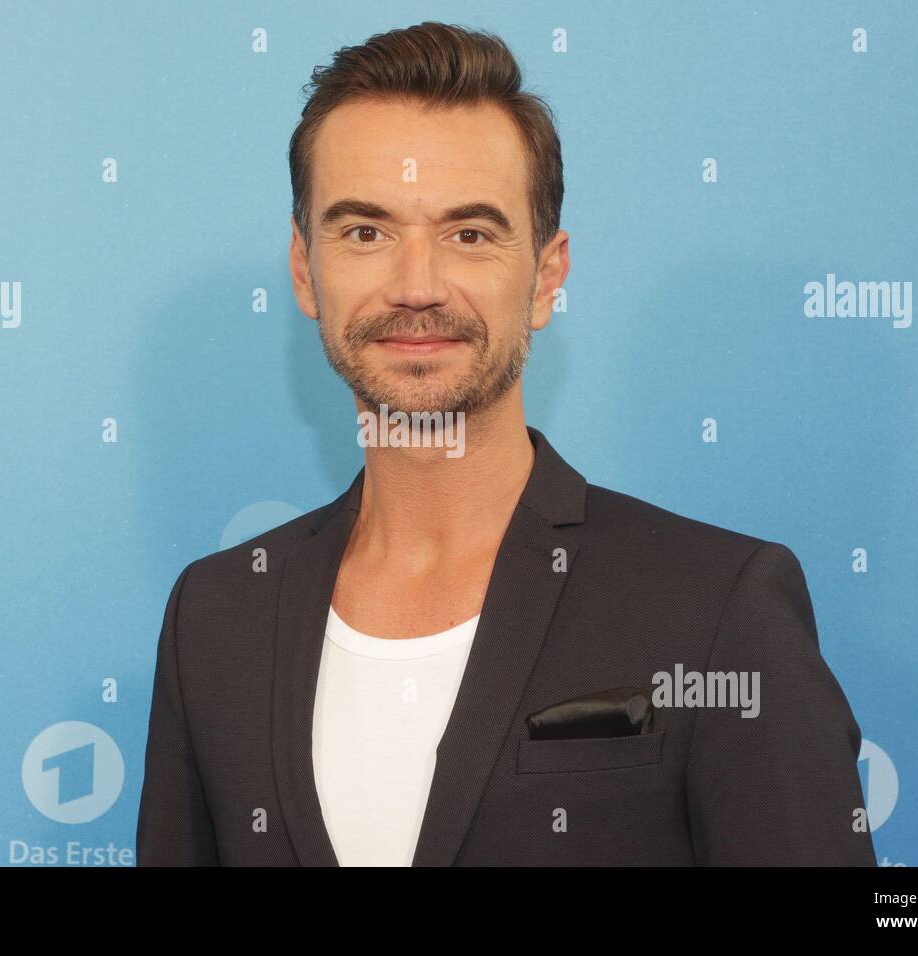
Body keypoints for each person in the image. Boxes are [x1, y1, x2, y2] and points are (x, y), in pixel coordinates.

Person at [136, 21, 876, 866]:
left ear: (546, 277)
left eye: (470, 234)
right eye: (366, 232)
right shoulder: (218, 617)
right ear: (306, 271)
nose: (416, 287)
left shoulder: (715, 608)